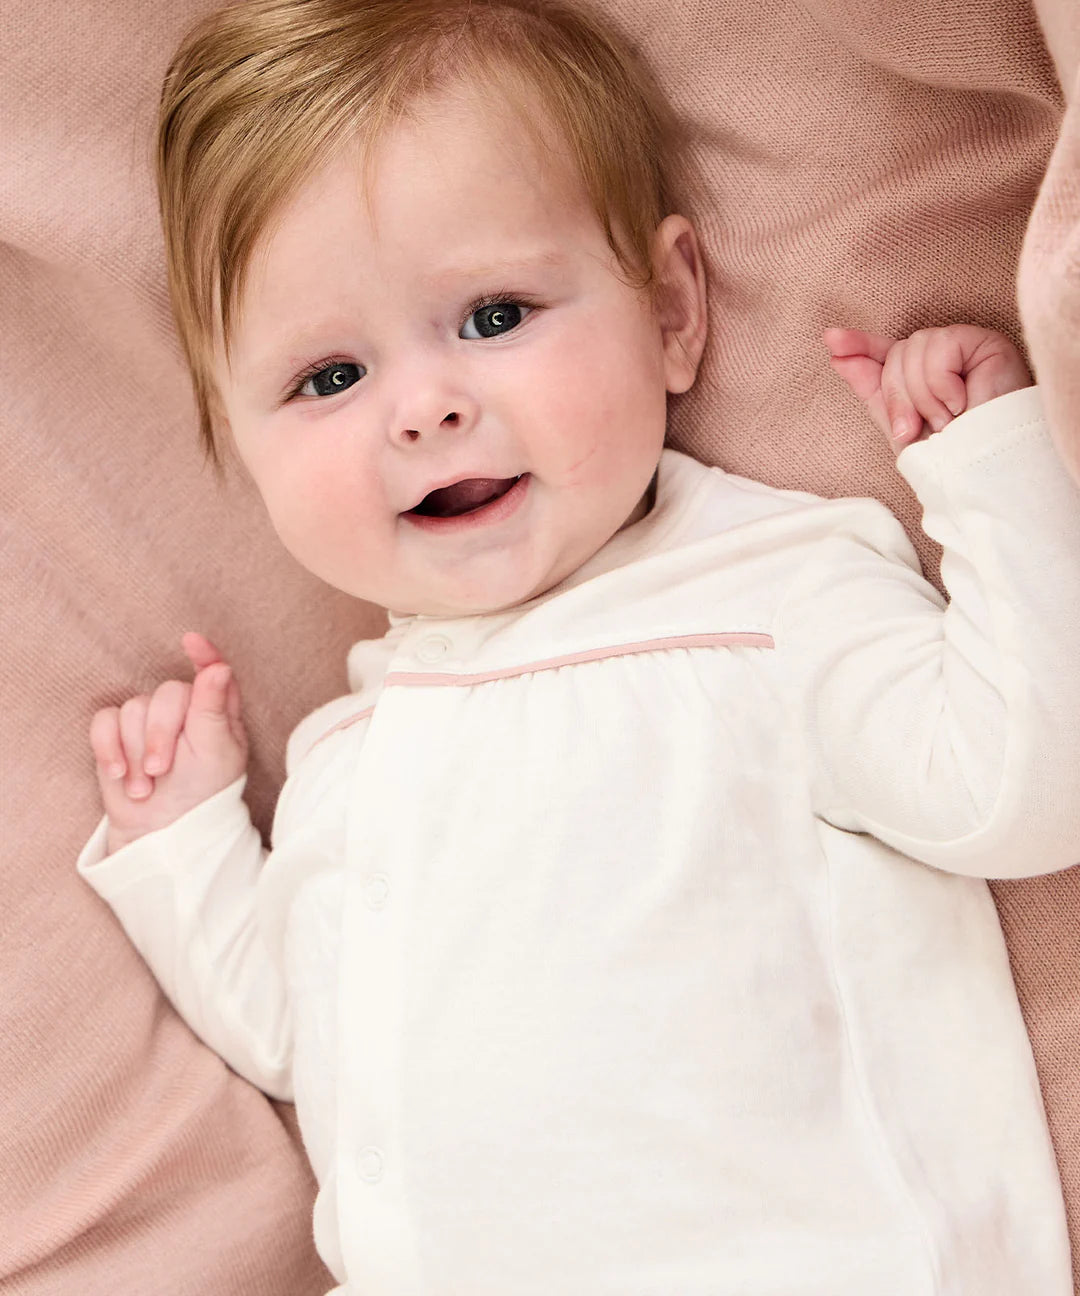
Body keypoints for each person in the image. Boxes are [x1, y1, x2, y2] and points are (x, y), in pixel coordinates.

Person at [76, 0, 1080, 1290]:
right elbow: (304, 1036)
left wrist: (1001, 482)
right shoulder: (352, 755)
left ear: (670, 310)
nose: (427, 406)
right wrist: (186, 850)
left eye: (495, 315)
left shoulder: (770, 593)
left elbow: (1028, 786)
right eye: (328, 379)